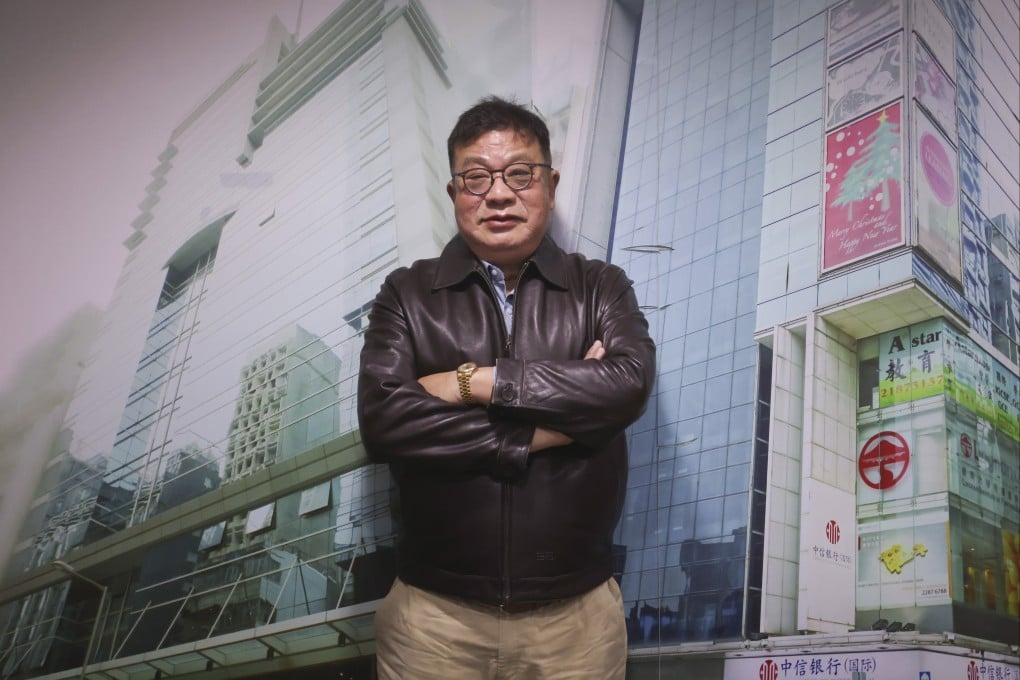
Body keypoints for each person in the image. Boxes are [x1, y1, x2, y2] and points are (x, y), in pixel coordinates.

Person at [357, 95, 656, 679]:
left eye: (520, 173)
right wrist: (542, 433)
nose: (498, 194)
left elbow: (625, 385)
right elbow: (386, 421)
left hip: (579, 621)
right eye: (476, 177)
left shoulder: (601, 286)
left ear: (550, 184)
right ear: (453, 193)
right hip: (433, 621)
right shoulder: (407, 294)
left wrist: (472, 382)